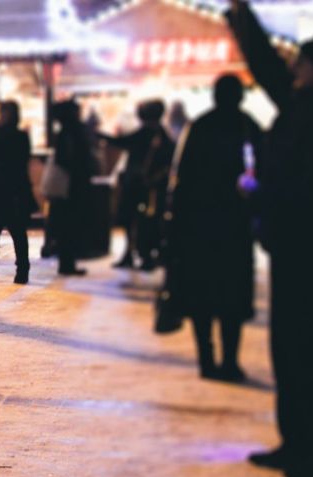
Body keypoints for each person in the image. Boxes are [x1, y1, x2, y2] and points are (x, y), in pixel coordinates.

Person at [227, 0, 313, 477]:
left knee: (310, 347)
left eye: (303, 60)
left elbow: (312, 184)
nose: (295, 65)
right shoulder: (307, 102)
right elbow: (266, 68)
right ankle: (299, 440)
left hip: (305, 242)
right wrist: (242, 15)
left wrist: (262, 192)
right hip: (290, 242)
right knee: (290, 344)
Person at [169, 74, 262, 381]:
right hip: (234, 223)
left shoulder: (199, 127)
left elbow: (180, 180)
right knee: (232, 297)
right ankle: (230, 360)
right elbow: (262, 172)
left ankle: (207, 359)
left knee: (202, 295)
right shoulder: (247, 126)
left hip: (199, 224)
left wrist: (176, 221)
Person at [104, 100, 174, 270]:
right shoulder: (162, 133)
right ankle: (146, 256)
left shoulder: (147, 131)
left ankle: (136, 255)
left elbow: (123, 142)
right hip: (152, 185)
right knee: (148, 221)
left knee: (134, 220)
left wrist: (99, 135)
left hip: (138, 183)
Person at [0, 100, 35, 284]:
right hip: (0, 189)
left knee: (14, 232)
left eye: (5, 113)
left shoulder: (14, 136)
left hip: (10, 189)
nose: (2, 116)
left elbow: (20, 161)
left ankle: (19, 270)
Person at [46, 99, 97, 277]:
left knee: (66, 225)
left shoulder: (65, 132)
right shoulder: (72, 131)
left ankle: (66, 261)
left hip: (70, 185)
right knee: (71, 224)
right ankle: (67, 262)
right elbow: (67, 158)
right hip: (73, 185)